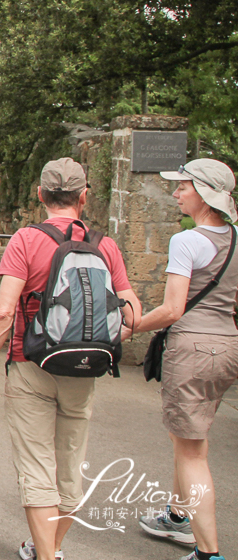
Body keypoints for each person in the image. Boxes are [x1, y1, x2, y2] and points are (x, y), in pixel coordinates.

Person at [0, 158, 142, 560]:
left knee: (36, 469)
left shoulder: (26, 240)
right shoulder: (104, 245)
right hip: (84, 372)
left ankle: (46, 555)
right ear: (84, 196)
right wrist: (101, 343)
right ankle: (49, 548)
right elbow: (132, 312)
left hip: (31, 365)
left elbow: (3, 311)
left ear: (40, 195)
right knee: (69, 473)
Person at [136, 159, 238, 560]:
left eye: (183, 186)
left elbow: (173, 308)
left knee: (191, 451)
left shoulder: (188, 241)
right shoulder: (235, 238)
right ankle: (178, 515)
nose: (176, 193)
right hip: (226, 346)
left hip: (192, 349)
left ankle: (208, 553)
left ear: (204, 193)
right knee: (192, 440)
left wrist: (131, 327)